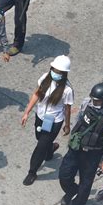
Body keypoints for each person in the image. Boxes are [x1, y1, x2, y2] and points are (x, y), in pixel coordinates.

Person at [59, 83, 103, 205]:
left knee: (85, 183)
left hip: (93, 154)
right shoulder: (87, 103)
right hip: (76, 148)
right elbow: (79, 119)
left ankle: (77, 204)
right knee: (64, 175)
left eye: (97, 100)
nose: (94, 102)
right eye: (93, 99)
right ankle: (71, 191)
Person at [21, 55, 73, 186]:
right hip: (40, 116)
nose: (55, 73)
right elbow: (36, 94)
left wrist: (67, 125)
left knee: (40, 147)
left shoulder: (67, 90)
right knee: (40, 138)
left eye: (59, 72)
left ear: (64, 73)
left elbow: (67, 109)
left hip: (54, 121)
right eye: (54, 70)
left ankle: (32, 172)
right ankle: (50, 149)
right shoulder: (45, 78)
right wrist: (26, 112)